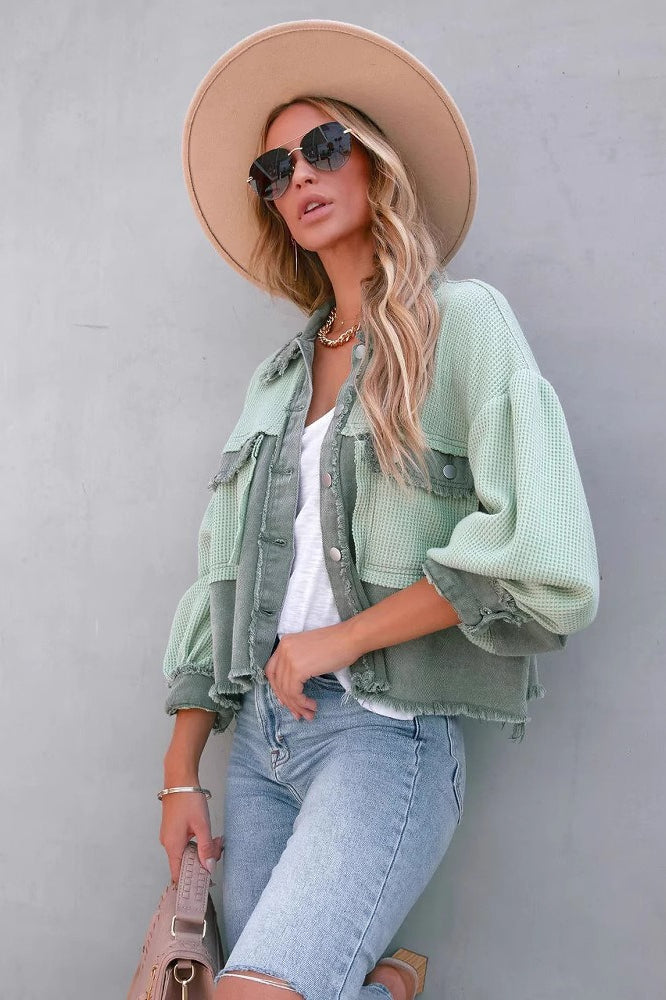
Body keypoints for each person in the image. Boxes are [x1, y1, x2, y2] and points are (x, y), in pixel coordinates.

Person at [157, 20, 600, 1000]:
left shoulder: (462, 324)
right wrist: (182, 768)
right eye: (275, 169)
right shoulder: (277, 379)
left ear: (374, 163)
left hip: (383, 732)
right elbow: (218, 576)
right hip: (261, 743)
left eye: (323, 146)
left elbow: (540, 555)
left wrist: (342, 638)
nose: (300, 177)